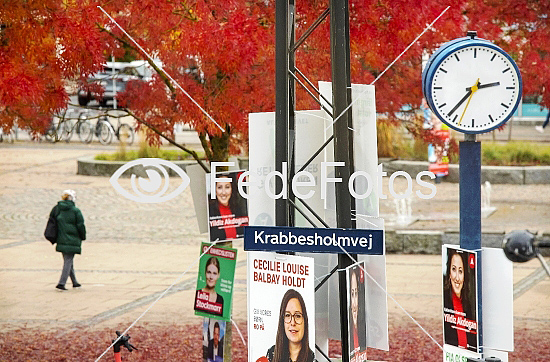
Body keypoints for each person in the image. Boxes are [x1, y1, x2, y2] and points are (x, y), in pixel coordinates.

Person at [265, 289, 315, 362]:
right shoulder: (272, 353)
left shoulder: (312, 359)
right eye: (287, 315)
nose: (292, 322)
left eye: (297, 316)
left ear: (305, 321)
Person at [51, 190, 86, 291]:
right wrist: (83, 236)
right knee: (68, 261)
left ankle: (75, 282)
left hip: (61, 238)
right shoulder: (76, 211)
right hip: (72, 239)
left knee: (68, 261)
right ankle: (61, 283)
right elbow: (81, 226)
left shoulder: (57, 209)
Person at [443, 249, 477, 351]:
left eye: (460, 271)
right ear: (449, 272)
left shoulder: (471, 303)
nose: (457, 278)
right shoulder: (446, 300)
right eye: (453, 269)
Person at [208, 173, 248, 242]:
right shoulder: (209, 212)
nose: (224, 192)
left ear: (232, 189)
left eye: (227, 187)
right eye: (220, 187)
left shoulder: (239, 210)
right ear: (215, 190)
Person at [348, 265, 367, 360]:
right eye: (352, 294)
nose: (354, 303)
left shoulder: (361, 333)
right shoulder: (349, 334)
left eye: (356, 294)